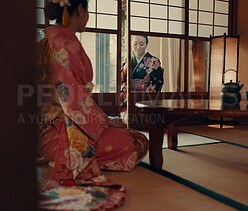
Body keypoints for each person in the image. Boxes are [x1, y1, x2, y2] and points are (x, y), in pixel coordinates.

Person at [36, 0, 148, 209]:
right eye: (87, 11)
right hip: (63, 134)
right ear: (79, 10)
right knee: (137, 141)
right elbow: (72, 100)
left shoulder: (49, 38)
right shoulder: (64, 42)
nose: (87, 17)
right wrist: (106, 121)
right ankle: (68, 159)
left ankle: (60, 157)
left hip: (44, 132)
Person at [120, 35, 164, 120]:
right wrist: (125, 68)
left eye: (141, 44)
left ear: (146, 44)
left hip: (145, 95)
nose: (138, 47)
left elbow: (157, 82)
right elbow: (121, 80)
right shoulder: (126, 60)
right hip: (129, 94)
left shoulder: (154, 61)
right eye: (135, 44)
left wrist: (143, 94)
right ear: (131, 44)